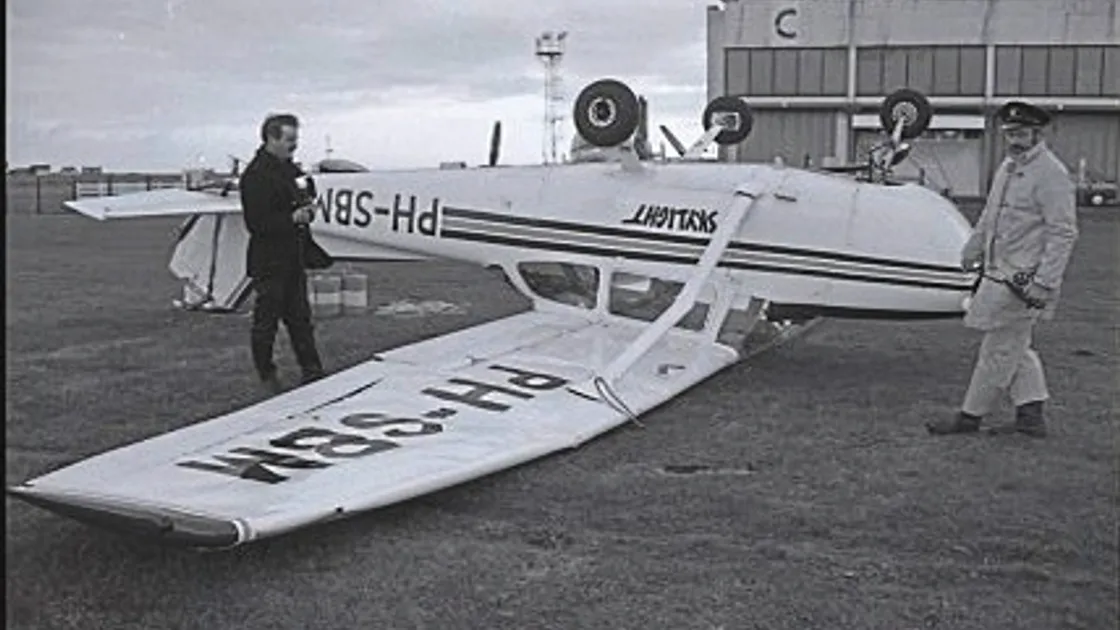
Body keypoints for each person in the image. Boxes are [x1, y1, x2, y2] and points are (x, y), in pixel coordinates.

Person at [927, 101, 1078, 438]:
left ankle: (969, 418)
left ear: (1038, 134)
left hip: (1024, 282)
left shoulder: (1051, 174)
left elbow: (1063, 232)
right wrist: (973, 246)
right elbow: (990, 215)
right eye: (1010, 132)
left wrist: (1044, 282)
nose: (1014, 139)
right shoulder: (1008, 168)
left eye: (1021, 133)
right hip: (999, 275)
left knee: (998, 348)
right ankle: (1030, 417)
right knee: (1015, 346)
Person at [239, 113, 333, 394]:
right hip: (269, 260)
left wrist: (308, 209)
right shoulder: (255, 176)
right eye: (289, 140)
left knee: (301, 319)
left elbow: (304, 195)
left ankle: (312, 371)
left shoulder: (291, 171)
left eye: (296, 140)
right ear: (272, 138)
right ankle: (267, 375)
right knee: (266, 323)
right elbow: (256, 223)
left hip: (293, 256)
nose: (294, 146)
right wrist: (291, 218)